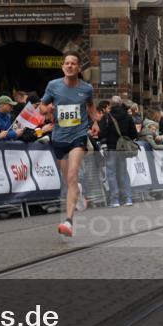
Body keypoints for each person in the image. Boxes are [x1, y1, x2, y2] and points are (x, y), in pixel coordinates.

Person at [39, 53, 96, 237]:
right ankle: (77, 191)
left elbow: (90, 106)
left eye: (73, 63)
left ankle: (68, 221)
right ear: (63, 67)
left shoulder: (86, 88)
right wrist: (47, 109)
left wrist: (95, 122)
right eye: (67, 63)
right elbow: (41, 107)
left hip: (78, 136)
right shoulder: (53, 85)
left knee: (72, 175)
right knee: (68, 180)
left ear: (78, 68)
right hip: (59, 137)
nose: (69, 66)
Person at [99, 96, 136, 207]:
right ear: (121, 104)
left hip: (110, 148)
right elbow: (134, 134)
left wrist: (104, 143)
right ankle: (128, 198)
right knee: (123, 173)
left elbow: (102, 133)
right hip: (122, 149)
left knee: (111, 173)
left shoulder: (106, 117)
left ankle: (115, 200)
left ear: (111, 105)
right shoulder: (128, 117)